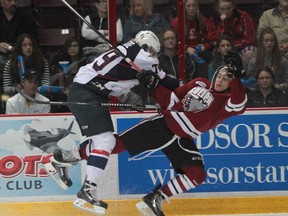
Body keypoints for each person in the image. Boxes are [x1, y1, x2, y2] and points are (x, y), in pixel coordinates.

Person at [50, 52, 247, 216]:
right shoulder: (199, 83)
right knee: (115, 145)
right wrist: (153, 86)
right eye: (220, 75)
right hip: (162, 127)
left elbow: (240, 103)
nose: (221, 80)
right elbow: (170, 100)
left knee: (197, 174)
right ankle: (65, 157)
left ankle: (155, 199)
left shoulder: (227, 102)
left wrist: (236, 76)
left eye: (227, 78)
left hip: (182, 139)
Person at [47, 30, 177, 215]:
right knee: (106, 142)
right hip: (87, 93)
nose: (155, 56)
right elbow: (166, 82)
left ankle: (64, 158)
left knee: (107, 142)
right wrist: (186, 87)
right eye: (154, 52)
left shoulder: (126, 48)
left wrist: (129, 94)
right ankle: (88, 189)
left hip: (86, 89)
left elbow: (117, 75)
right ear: (147, 48)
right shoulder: (145, 58)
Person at [206, 0, 256, 69]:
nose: (226, 12)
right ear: (217, 8)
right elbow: (214, 40)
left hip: (240, 48)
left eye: (228, 8)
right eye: (222, 9)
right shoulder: (213, 21)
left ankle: (244, 77)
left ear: (233, 7)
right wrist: (223, 23)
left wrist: (232, 46)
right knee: (216, 52)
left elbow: (249, 39)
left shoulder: (244, 16)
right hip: (221, 49)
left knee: (250, 52)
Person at [0, 0, 38, 75]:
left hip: (21, 54)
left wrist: (19, 48)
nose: (13, 3)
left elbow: (34, 40)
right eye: (9, 0)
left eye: (15, 0)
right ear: (1, 3)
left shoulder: (27, 18)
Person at [50, 36, 87, 112]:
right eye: (69, 46)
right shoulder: (62, 64)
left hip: (81, 93)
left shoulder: (85, 63)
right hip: (66, 94)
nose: (72, 48)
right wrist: (65, 90)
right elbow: (61, 84)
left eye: (75, 46)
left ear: (79, 48)